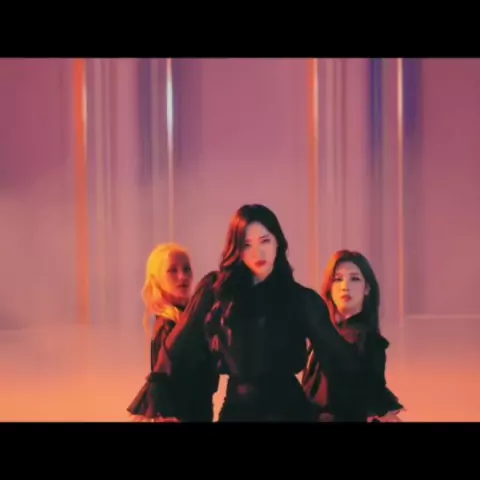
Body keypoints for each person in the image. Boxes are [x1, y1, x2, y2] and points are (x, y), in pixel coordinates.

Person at [142, 204, 365, 422]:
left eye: (265, 241)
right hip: (238, 412)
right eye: (247, 244)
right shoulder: (215, 291)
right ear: (237, 250)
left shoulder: (301, 299)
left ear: (278, 242)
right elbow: (177, 347)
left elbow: (338, 357)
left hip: (290, 412)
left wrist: (368, 405)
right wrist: (157, 402)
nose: (258, 252)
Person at [301, 249, 405, 422]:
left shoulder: (369, 342)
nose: (345, 286)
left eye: (355, 279)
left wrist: (382, 408)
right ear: (330, 288)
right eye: (338, 279)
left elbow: (365, 389)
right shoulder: (320, 337)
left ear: (367, 288)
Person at [126, 242, 217, 422]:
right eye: (172, 271)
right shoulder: (168, 326)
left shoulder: (188, 322)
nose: (183, 276)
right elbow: (168, 387)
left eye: (186, 269)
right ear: (157, 279)